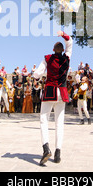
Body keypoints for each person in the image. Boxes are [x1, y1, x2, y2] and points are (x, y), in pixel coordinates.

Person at [33, 31, 73, 165]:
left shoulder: (47, 58)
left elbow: (38, 73)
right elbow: (70, 42)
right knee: (59, 123)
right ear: (63, 50)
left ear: (53, 49)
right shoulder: (67, 58)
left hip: (50, 91)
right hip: (62, 92)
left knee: (44, 120)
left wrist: (34, 75)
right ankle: (58, 153)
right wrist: (63, 34)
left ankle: (46, 148)